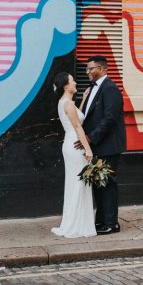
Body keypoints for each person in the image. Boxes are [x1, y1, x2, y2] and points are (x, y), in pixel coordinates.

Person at [75, 56, 126, 235]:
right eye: (87, 69)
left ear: (103, 69)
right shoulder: (92, 89)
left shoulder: (110, 89)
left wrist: (90, 138)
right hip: (98, 146)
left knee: (108, 184)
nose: (87, 72)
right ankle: (102, 221)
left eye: (91, 69)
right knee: (98, 184)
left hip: (109, 145)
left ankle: (112, 223)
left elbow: (110, 119)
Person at [50, 72, 97, 238]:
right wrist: (88, 149)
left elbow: (78, 118)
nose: (75, 82)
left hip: (70, 144)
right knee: (78, 184)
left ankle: (77, 222)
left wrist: (83, 100)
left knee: (76, 183)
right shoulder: (68, 104)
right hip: (75, 145)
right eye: (72, 81)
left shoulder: (65, 103)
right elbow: (78, 127)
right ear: (65, 85)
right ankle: (76, 225)